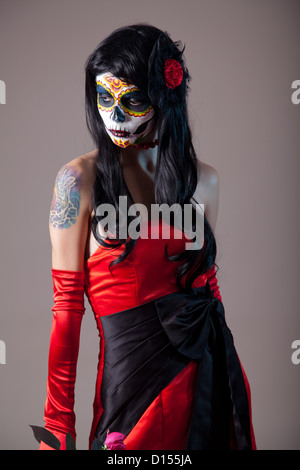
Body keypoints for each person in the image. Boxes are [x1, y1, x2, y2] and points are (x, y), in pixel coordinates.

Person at [39, 24, 256, 450]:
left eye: (132, 100)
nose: (114, 116)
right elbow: (66, 309)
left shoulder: (204, 181)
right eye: (104, 98)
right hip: (130, 391)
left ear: (164, 98)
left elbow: (205, 286)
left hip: (206, 377)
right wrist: (57, 429)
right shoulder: (77, 181)